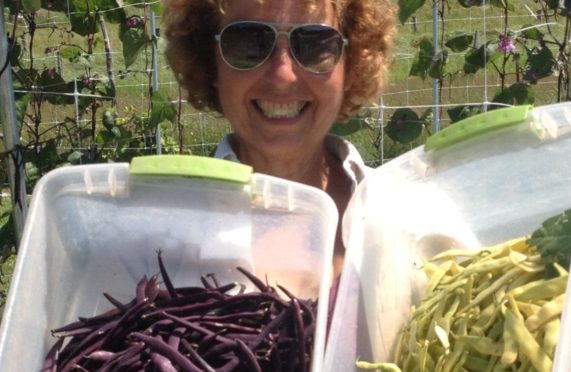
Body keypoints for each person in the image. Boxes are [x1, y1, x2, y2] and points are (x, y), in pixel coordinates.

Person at [162, 0, 397, 285]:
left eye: (314, 45)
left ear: (351, 62)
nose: (282, 75)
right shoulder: (158, 240)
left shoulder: (407, 221)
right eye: (249, 43)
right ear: (212, 63)